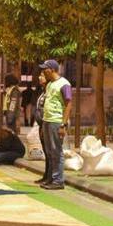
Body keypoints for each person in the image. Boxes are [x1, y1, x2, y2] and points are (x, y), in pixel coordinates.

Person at [38, 60, 72, 190]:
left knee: (57, 151)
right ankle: (51, 178)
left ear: (51, 70)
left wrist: (63, 124)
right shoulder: (49, 85)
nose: (43, 72)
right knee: (49, 151)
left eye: (45, 69)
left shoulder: (64, 84)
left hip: (57, 121)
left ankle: (58, 181)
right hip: (47, 121)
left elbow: (69, 104)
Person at [33, 74, 50, 184]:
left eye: (42, 76)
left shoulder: (50, 91)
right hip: (41, 125)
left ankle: (51, 177)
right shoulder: (43, 91)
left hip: (47, 125)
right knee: (46, 151)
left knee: (50, 152)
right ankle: (46, 175)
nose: (39, 77)